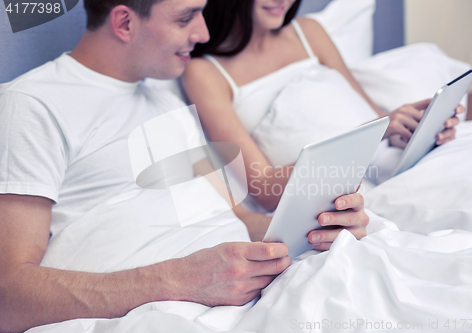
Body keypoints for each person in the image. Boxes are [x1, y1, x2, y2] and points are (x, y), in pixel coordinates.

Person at [0, 0, 369, 332]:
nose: (203, 32)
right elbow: (8, 297)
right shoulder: (34, 104)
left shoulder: (166, 99)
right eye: (185, 17)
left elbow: (239, 219)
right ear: (124, 23)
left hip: (251, 291)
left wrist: (319, 224)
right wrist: (181, 280)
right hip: (170, 312)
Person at [182, 0, 465, 212]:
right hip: (335, 199)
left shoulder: (309, 32)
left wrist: (420, 130)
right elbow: (264, 190)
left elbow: (379, 122)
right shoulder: (203, 73)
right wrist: (376, 129)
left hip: (388, 169)